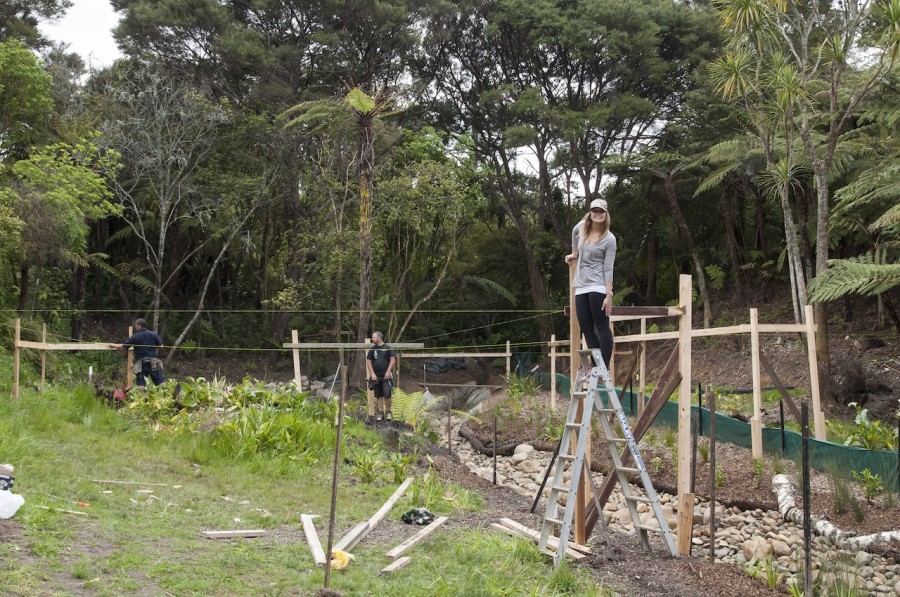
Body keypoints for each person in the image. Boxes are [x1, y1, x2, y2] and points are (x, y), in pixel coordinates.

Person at [565, 198, 617, 368]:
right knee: (586, 327)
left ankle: (603, 366)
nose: (598, 214)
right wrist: (574, 253)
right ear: (590, 212)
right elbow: (573, 232)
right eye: (595, 210)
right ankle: (596, 364)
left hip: (598, 286)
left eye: (601, 211)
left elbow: (608, 268)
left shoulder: (609, 239)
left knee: (601, 326)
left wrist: (609, 295)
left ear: (606, 214)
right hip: (581, 285)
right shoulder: (582, 228)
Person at [111, 318, 165, 390]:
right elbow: (161, 346)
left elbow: (122, 347)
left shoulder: (135, 336)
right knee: (160, 381)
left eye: (136, 325)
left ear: (139, 325)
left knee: (141, 383)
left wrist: (113, 345)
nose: (135, 327)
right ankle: (166, 397)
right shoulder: (153, 334)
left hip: (140, 362)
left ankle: (141, 399)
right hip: (153, 360)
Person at [366, 331, 395, 422]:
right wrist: (372, 373)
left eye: (374, 337)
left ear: (379, 337)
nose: (372, 339)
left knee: (387, 394)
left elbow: (392, 360)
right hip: (376, 377)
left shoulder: (387, 348)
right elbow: (369, 361)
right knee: (378, 395)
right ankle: (380, 412)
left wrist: (388, 371)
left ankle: (389, 412)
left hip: (386, 376)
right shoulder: (372, 349)